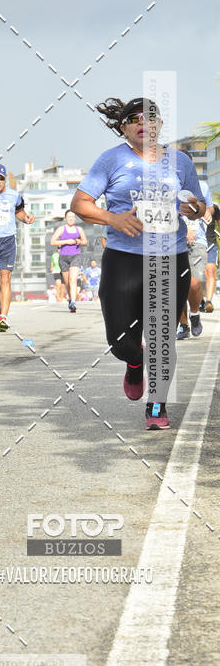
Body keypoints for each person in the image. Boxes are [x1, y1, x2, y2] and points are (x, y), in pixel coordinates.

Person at [71, 96, 205, 431]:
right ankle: (134, 361)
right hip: (123, 259)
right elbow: (80, 203)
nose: (143, 123)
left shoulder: (180, 162)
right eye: (134, 118)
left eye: (151, 118)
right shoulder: (111, 160)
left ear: (160, 125)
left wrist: (195, 209)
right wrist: (113, 220)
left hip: (169, 257)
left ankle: (157, 405)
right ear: (123, 127)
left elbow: (198, 204)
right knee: (120, 342)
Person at [0, 163, 34, 331]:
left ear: (5, 180)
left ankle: (3, 316)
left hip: (8, 240)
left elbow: (18, 211)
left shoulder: (14, 195)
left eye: (1, 178)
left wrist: (26, 218)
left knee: (5, 278)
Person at [176, 179, 213, 339]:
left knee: (194, 282)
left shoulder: (201, 186)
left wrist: (206, 212)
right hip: (173, 242)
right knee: (178, 286)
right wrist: (183, 232)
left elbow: (209, 207)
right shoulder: (166, 186)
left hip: (197, 242)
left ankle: (195, 314)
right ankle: (184, 326)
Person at [50, 210, 87, 312]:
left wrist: (80, 241)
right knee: (67, 283)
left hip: (75, 256)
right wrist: (67, 241)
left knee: (73, 279)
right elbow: (52, 241)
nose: (71, 218)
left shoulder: (79, 229)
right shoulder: (61, 229)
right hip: (63, 257)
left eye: (73, 217)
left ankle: (73, 302)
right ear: (65, 218)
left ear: (75, 219)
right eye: (69, 217)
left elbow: (85, 242)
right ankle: (71, 299)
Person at [203, 203, 220, 313]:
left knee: (210, 271)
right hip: (193, 245)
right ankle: (199, 300)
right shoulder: (188, 206)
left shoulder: (213, 208)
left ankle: (208, 302)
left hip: (211, 245)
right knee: (196, 276)